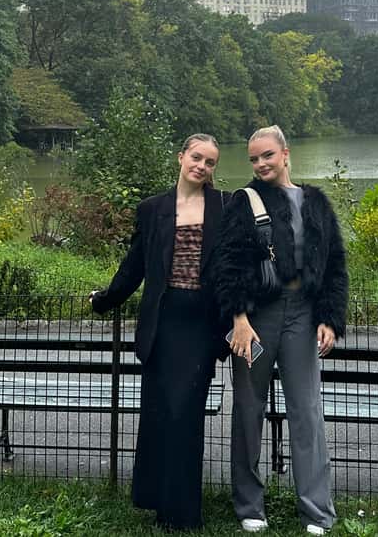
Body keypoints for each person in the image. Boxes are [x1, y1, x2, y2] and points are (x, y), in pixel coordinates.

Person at [211, 125, 348, 536]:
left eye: (267, 155)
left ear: (285, 154)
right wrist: (238, 317)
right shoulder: (243, 202)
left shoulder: (316, 202)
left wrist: (329, 318)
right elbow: (228, 263)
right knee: (248, 410)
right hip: (256, 317)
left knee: (306, 413)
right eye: (254, 159)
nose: (260, 164)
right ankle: (249, 504)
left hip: (304, 316)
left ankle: (317, 511)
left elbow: (335, 265)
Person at [89, 133, 228, 531]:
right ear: (181, 157)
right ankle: (155, 497)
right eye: (196, 157)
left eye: (210, 162)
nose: (201, 166)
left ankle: (181, 512)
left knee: (185, 415)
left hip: (201, 326)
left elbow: (239, 263)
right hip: (161, 324)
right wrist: (105, 299)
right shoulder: (153, 209)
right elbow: (135, 265)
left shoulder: (224, 206)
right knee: (158, 414)